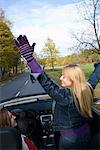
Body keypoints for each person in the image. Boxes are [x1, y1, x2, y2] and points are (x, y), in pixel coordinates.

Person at [15, 35, 100, 149]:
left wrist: (31, 60)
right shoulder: (87, 89)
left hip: (70, 140)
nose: (60, 78)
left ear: (73, 80)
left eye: (64, 77)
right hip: (86, 134)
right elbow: (95, 75)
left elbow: (47, 83)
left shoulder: (66, 97)